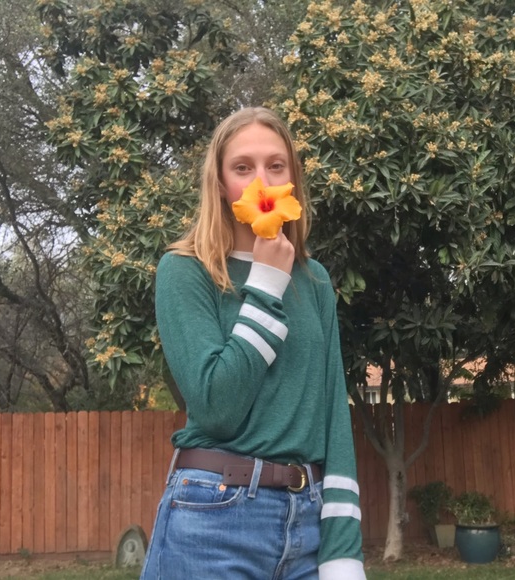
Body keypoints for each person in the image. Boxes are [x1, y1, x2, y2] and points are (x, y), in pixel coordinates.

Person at [141, 107, 364, 579]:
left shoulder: (314, 280)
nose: (261, 180)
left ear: (292, 181)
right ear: (221, 184)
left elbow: (333, 415)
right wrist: (265, 283)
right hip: (212, 518)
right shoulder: (185, 270)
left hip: (308, 522)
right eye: (243, 167)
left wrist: (344, 552)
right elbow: (216, 407)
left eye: (275, 166)